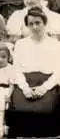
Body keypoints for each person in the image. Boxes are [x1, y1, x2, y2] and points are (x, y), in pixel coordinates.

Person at [6, 7, 60, 138]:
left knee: (46, 109)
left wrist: (44, 88)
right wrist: (25, 88)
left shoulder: (56, 44)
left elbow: (58, 70)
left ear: (45, 23)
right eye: (31, 24)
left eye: (38, 23)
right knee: (21, 108)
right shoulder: (20, 43)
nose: (35, 27)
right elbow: (16, 69)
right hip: (25, 83)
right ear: (27, 26)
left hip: (48, 84)